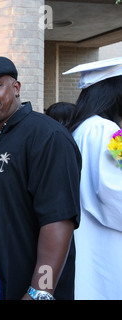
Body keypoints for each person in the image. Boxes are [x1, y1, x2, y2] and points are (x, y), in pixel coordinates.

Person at [0, 56, 81, 300]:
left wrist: (41, 290)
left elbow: (58, 221)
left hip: (25, 288)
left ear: (15, 88)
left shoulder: (47, 136)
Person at [63, 57, 122, 300]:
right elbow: (112, 191)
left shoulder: (82, 127)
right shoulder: (105, 131)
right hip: (104, 235)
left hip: (85, 231)